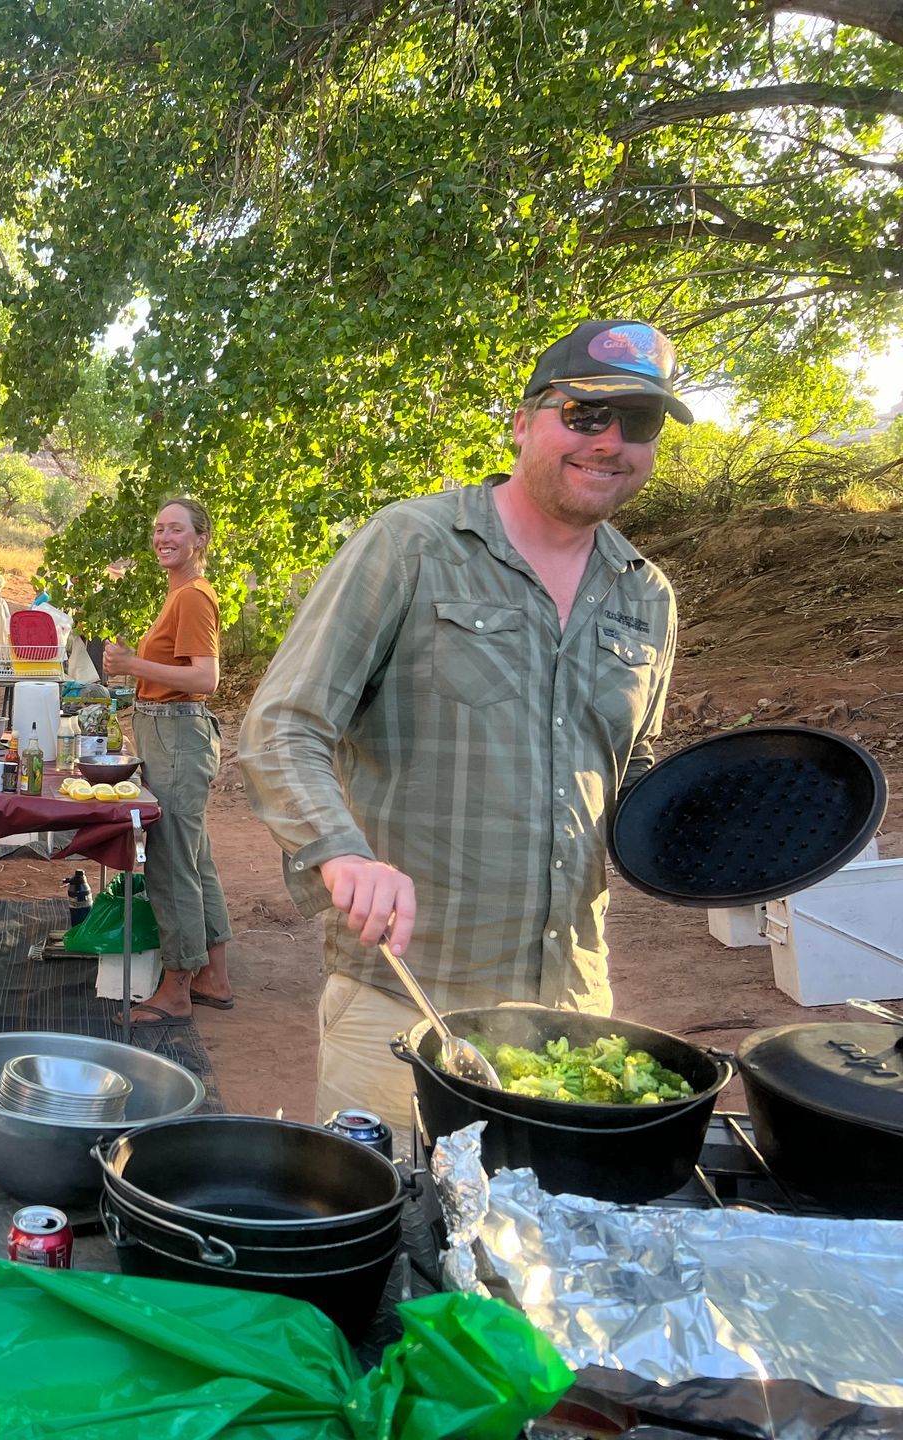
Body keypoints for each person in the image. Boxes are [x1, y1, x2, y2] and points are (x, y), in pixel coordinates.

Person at [238, 318, 689, 1127]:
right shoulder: (412, 545)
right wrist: (341, 853)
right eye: (586, 415)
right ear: (523, 421)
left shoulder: (645, 595)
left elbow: (630, 767)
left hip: (572, 1016)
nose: (611, 440)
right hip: (410, 1002)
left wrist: (712, 830)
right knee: (397, 1239)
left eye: (640, 422)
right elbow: (283, 724)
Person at [100, 498, 234, 1026]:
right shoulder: (179, 593)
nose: (163, 536)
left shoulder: (194, 598)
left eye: (175, 529)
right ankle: (213, 977)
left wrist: (134, 663)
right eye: (158, 529)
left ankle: (177, 987)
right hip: (169, 730)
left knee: (171, 860)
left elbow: (206, 679)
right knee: (194, 856)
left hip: (176, 732)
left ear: (199, 539)